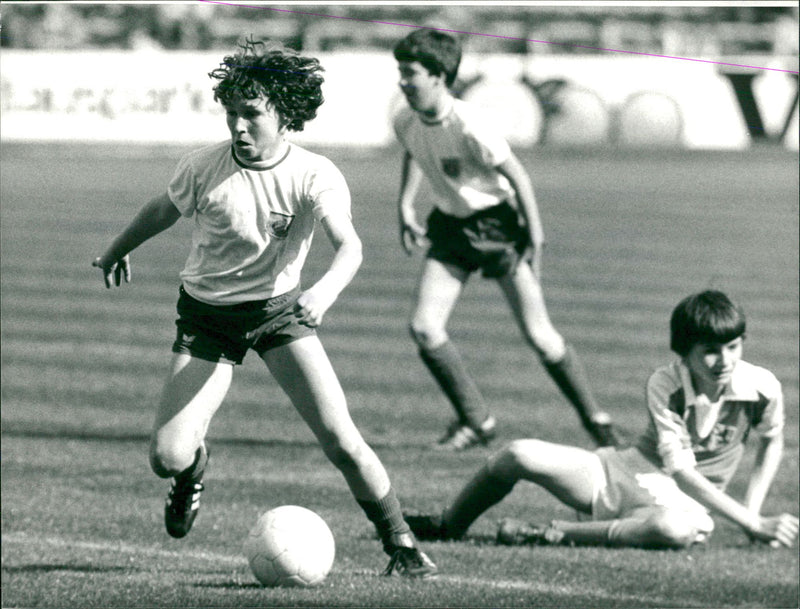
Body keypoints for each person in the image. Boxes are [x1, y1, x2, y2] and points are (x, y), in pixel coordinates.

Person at [92, 38, 437, 579]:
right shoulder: (203, 167)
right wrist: (118, 247)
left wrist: (320, 293)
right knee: (167, 457)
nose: (238, 127)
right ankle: (194, 471)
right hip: (206, 319)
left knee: (342, 440)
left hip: (278, 316)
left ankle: (401, 542)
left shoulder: (313, 174)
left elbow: (350, 247)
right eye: (231, 114)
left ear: (285, 116)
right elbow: (163, 208)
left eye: (251, 114)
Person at [403, 290, 799, 549]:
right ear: (684, 352)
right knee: (516, 453)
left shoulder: (761, 386)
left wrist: (754, 511)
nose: (725, 360)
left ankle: (545, 534)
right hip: (625, 472)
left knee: (672, 529)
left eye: (733, 346)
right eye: (710, 350)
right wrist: (753, 521)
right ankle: (448, 527)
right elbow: (678, 470)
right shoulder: (666, 383)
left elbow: (772, 439)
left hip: (688, 502)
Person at [391, 28, 620, 450]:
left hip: (497, 228)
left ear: (439, 75)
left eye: (410, 73)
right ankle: (478, 421)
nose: (403, 81)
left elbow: (517, 175)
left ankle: (597, 421)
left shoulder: (470, 124)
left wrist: (534, 233)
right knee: (424, 328)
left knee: (539, 335)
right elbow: (414, 151)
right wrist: (406, 205)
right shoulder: (405, 118)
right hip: (451, 227)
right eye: (400, 72)